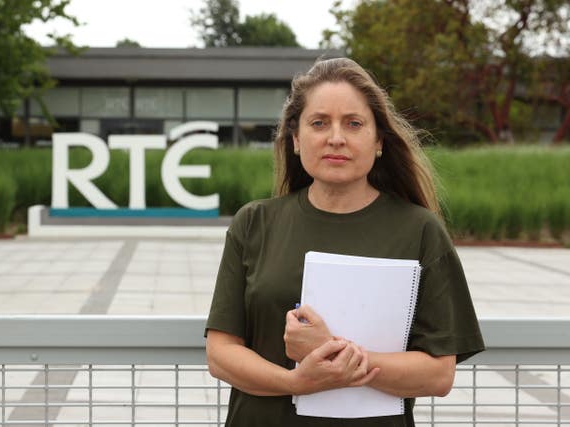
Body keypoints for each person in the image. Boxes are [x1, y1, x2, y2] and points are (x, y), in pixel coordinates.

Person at [205, 57, 485, 427]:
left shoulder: (419, 230)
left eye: (353, 124)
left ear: (379, 141)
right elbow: (221, 353)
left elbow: (437, 375)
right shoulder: (254, 222)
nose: (335, 137)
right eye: (319, 123)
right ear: (295, 139)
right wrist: (297, 382)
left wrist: (329, 353)